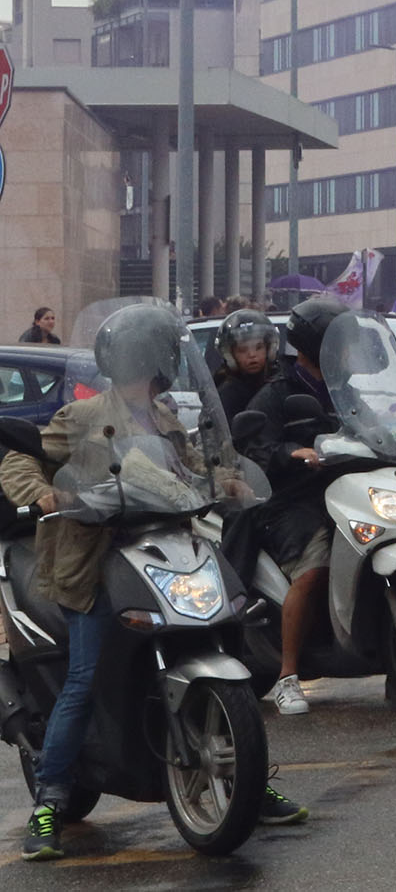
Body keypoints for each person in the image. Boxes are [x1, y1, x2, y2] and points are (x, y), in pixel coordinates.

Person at [2, 303, 304, 857]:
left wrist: (230, 480)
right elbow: (22, 461)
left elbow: (197, 467)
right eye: (147, 356)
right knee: (84, 677)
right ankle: (49, 801)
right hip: (96, 560)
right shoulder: (84, 417)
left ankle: (249, 783)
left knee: (227, 625)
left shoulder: (166, 416)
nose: (153, 366)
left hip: (168, 544)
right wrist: (44, 493)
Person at [238, 300, 346, 717]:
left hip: (344, 488)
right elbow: (256, 449)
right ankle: (287, 675)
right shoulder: (277, 393)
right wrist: (291, 451)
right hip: (293, 499)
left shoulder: (346, 383)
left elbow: (377, 418)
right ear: (311, 343)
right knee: (314, 569)